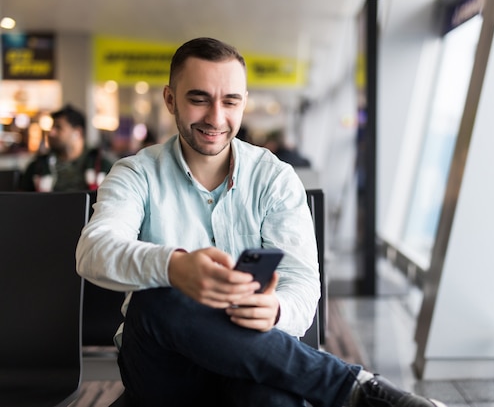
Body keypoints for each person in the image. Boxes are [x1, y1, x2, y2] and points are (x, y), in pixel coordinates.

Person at [76, 37, 445, 407]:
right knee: (157, 296)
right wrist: (173, 267)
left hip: (250, 358)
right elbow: (93, 250)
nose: (216, 117)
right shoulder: (135, 174)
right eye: (199, 98)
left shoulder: (274, 179)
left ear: (243, 103)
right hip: (163, 368)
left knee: (273, 397)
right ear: (170, 99)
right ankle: (352, 389)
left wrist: (277, 309)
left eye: (230, 101)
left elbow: (301, 283)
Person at [20, 104, 114, 192]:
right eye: (51, 127)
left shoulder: (102, 165)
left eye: (58, 127)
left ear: (78, 132)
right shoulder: (37, 167)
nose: (51, 133)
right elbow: (21, 203)